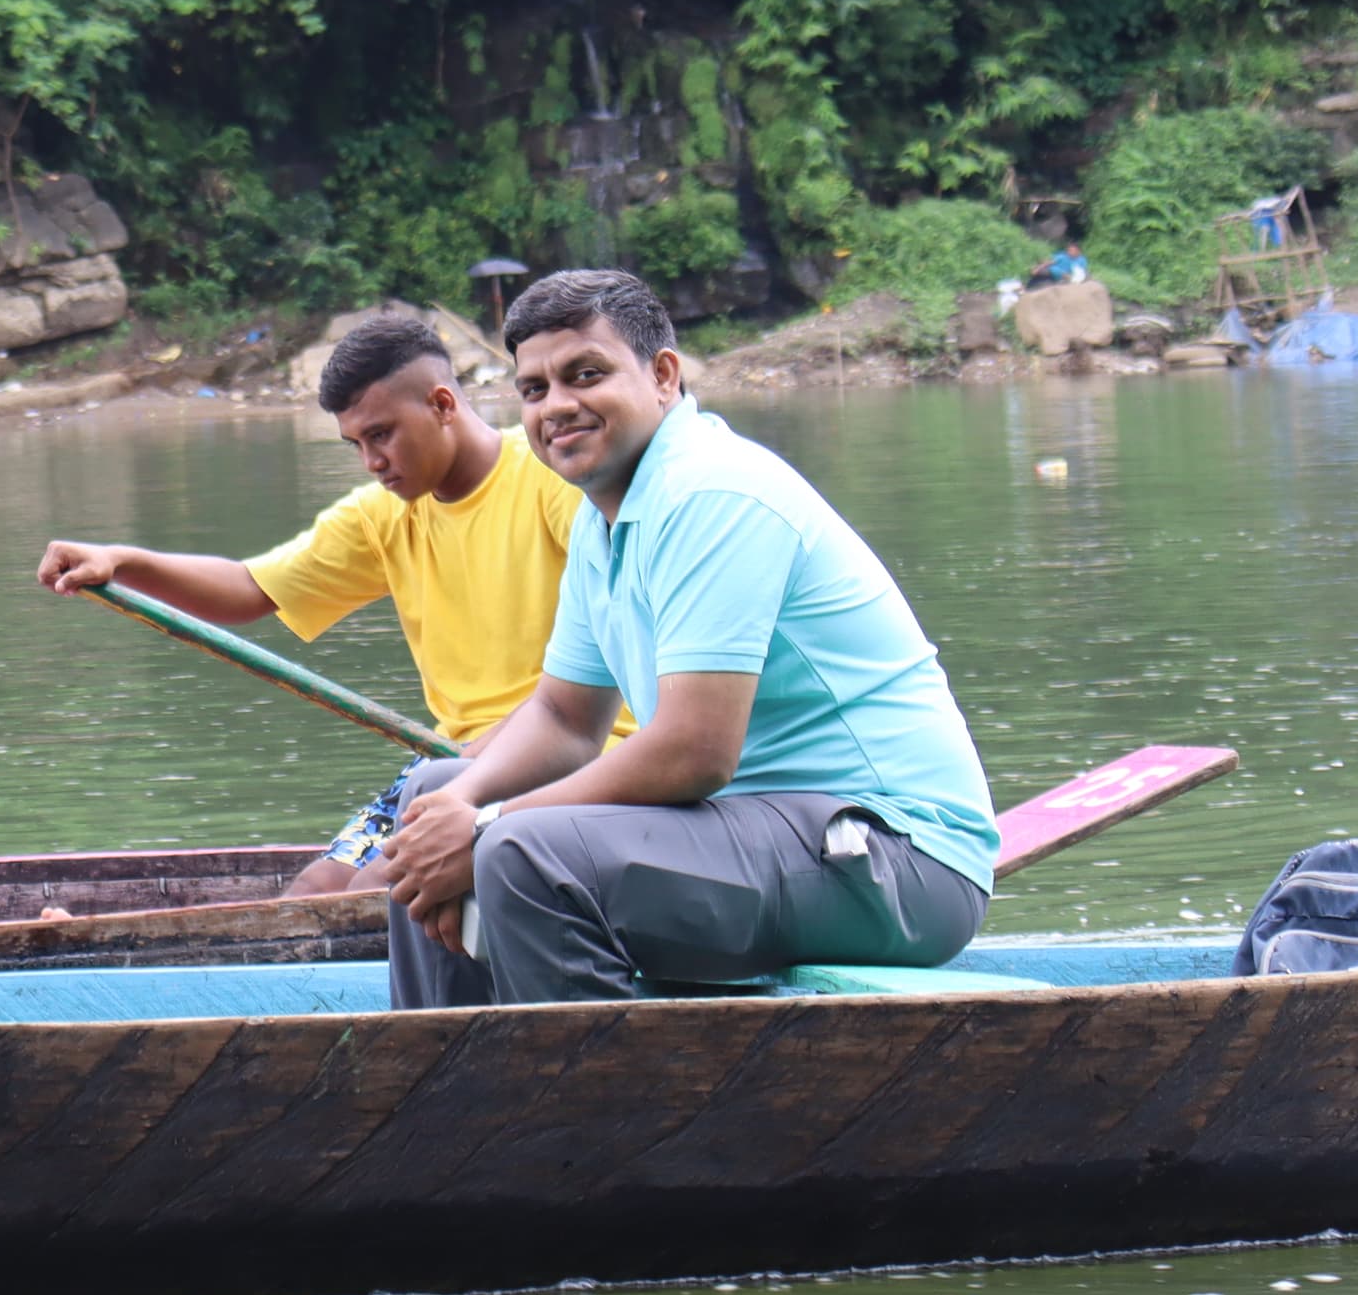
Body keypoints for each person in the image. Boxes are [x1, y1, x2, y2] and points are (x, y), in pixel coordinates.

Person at [376, 270, 997, 1007]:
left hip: (896, 858)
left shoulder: (712, 492)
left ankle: (593, 1080)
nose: (557, 406)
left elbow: (696, 752)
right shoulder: (603, 520)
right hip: (755, 833)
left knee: (524, 853)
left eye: (586, 375)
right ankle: (447, 1074)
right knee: (428, 802)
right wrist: (460, 806)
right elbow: (565, 719)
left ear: (663, 376)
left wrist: (487, 825)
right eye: (535, 389)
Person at [38, 313, 598, 897]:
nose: (371, 461)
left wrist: (484, 755)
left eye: (381, 435)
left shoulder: (553, 479)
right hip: (452, 759)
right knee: (315, 892)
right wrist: (122, 562)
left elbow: (599, 674)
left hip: (563, 751)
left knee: (375, 893)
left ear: (441, 404)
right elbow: (249, 588)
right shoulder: (381, 514)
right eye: (356, 444)